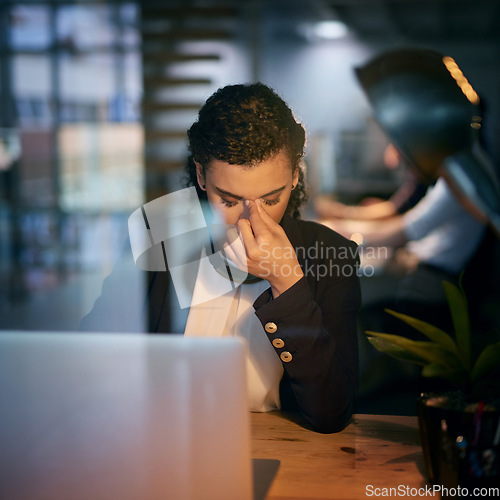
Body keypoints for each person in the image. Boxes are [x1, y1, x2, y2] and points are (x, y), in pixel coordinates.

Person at [81, 82, 362, 434]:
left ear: (294, 175)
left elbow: (333, 414)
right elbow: (89, 358)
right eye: (229, 200)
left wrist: (288, 283)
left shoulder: (330, 256)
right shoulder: (158, 238)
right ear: (200, 175)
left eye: (271, 199)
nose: (250, 219)